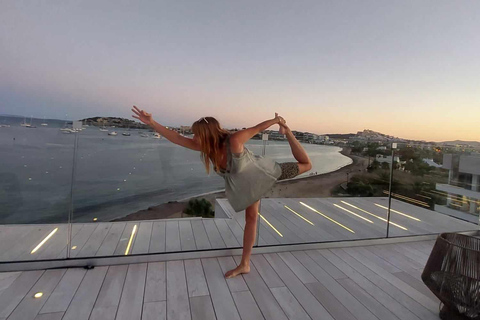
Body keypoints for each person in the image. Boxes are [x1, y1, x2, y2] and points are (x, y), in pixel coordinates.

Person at [131, 106, 312, 278]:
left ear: (207, 135)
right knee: (252, 218)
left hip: (264, 173)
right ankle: (245, 264)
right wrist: (152, 123)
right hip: (247, 185)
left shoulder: (234, 141)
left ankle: (288, 133)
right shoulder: (206, 147)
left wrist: (277, 120)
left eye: (197, 134)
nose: (194, 137)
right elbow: (177, 138)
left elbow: (257, 128)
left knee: (307, 165)